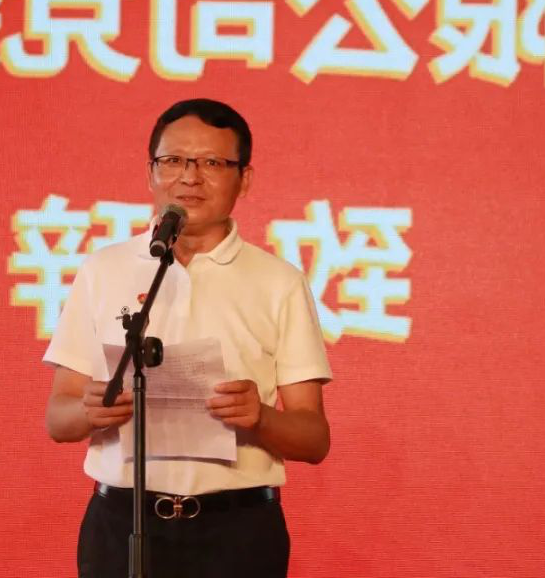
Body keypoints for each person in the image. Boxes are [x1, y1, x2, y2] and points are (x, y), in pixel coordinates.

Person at [43, 98, 332, 578]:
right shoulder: (104, 269)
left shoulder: (278, 281)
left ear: (245, 179)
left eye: (212, 163)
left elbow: (314, 438)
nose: (190, 178)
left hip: (237, 530)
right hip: (120, 522)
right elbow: (58, 419)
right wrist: (90, 411)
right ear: (151, 172)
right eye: (174, 160)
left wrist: (260, 417)